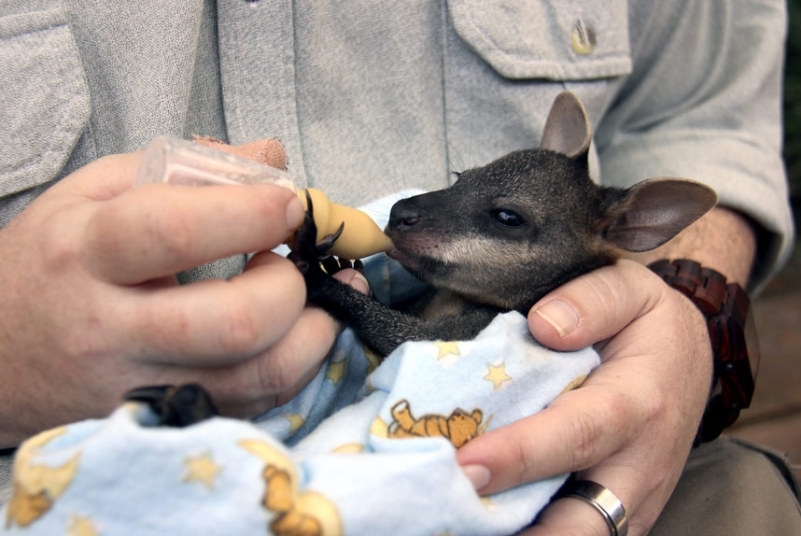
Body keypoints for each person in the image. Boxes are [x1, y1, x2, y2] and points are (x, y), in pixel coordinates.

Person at [0, 1, 798, 534]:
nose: (411, 216)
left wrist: (692, 310)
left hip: (587, 478)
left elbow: (698, 111)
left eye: (504, 221)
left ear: (617, 230)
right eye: (465, 193)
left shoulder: (517, 329)